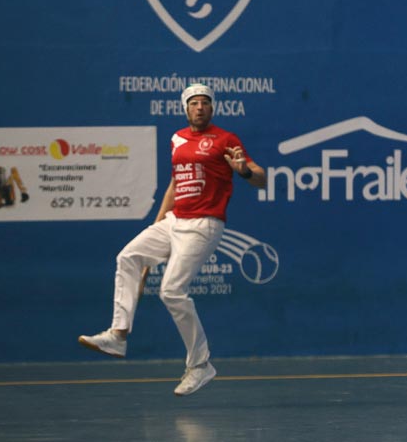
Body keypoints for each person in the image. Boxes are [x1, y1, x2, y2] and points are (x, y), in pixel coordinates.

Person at [78, 83, 266, 396]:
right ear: (185, 108)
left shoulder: (225, 140)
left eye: (206, 103)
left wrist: (244, 170)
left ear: (212, 108)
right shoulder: (177, 138)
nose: (200, 107)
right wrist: (157, 224)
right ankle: (118, 335)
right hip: (174, 220)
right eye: (194, 103)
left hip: (204, 224)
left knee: (171, 291)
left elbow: (261, 177)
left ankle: (201, 365)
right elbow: (175, 184)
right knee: (127, 256)